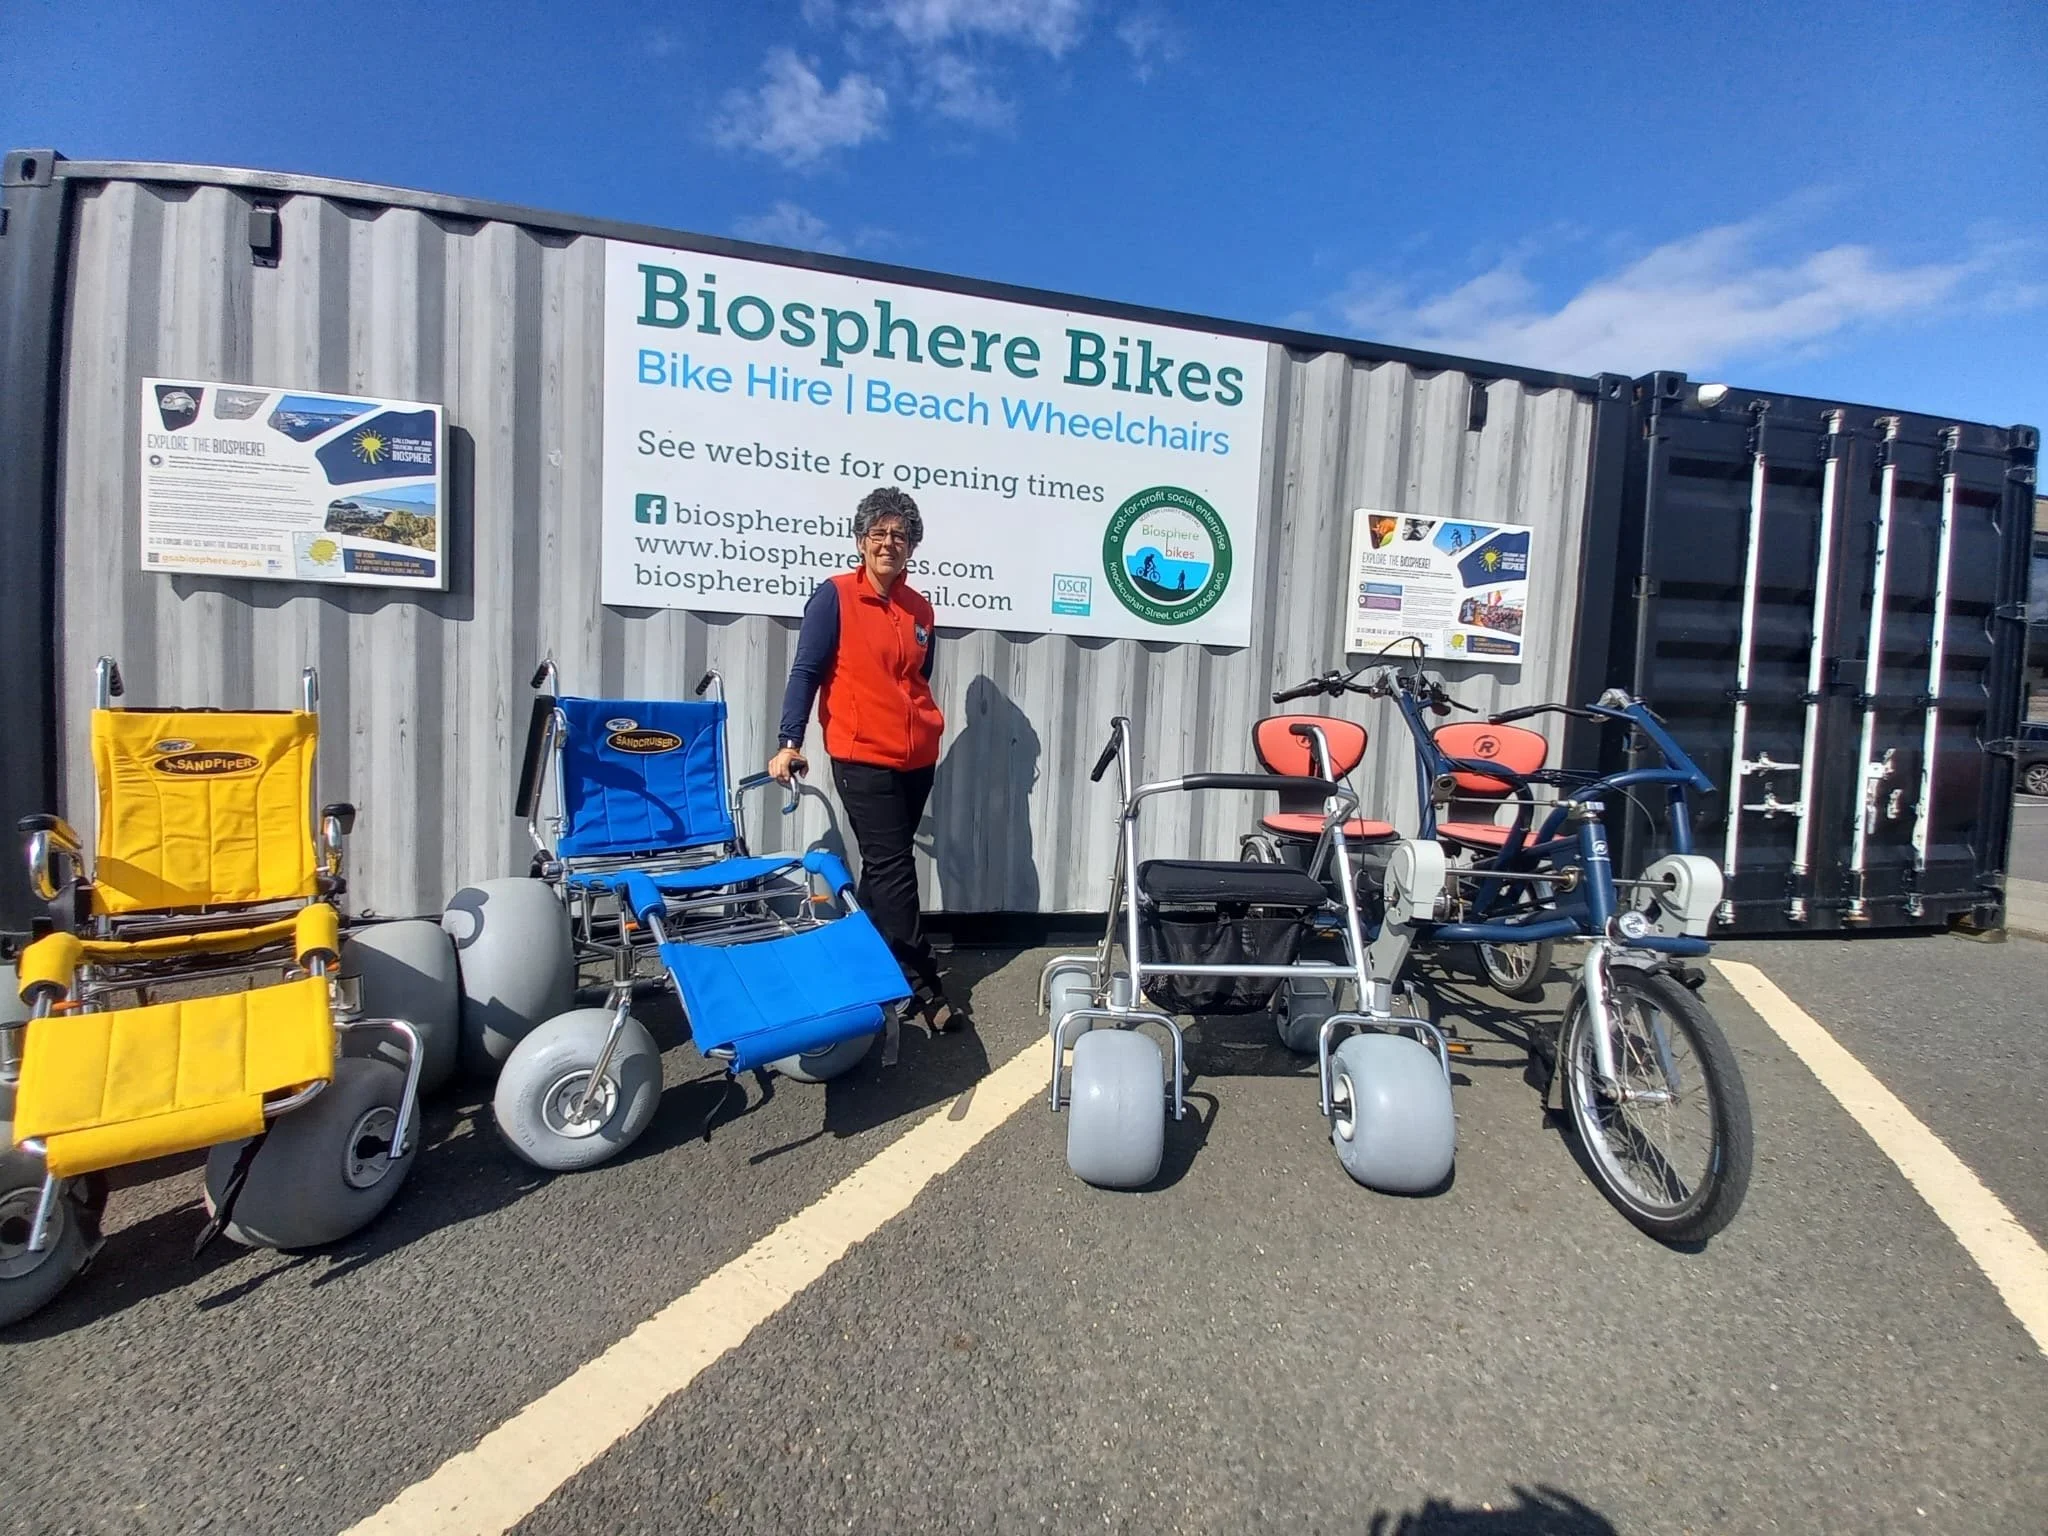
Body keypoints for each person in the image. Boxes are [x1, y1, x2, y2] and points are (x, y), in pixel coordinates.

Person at [769, 487, 967, 1032]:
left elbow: (918, 678)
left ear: (912, 547)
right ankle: (923, 985)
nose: (888, 543)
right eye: (878, 533)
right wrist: (789, 741)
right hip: (862, 756)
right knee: (895, 868)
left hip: (917, 758)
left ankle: (862, 964)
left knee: (884, 870)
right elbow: (806, 672)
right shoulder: (834, 597)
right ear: (860, 541)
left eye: (899, 535)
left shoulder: (919, 608)